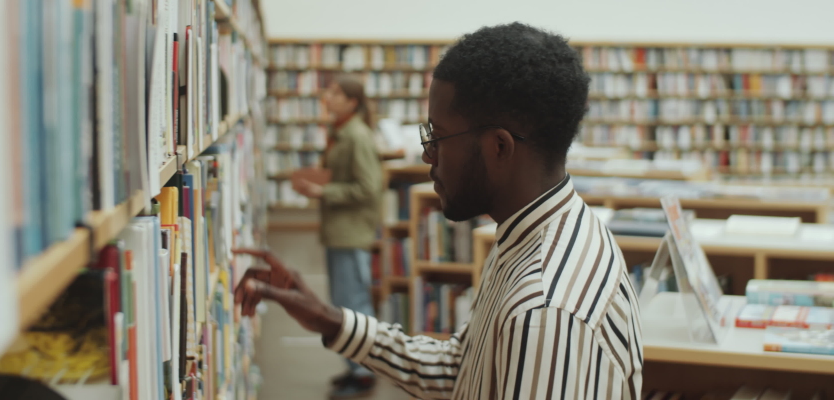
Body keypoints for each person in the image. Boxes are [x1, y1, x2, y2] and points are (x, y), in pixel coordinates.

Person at [235, 23, 643, 399]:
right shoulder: (536, 234)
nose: (428, 155)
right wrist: (330, 320)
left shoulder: (547, 313)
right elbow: (462, 369)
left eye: (439, 136)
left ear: (499, 147)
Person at [291, 74, 383, 399]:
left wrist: (323, 190)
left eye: (335, 92)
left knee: (354, 304)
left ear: (352, 101)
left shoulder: (356, 136)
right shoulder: (341, 133)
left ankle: (364, 373)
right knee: (346, 305)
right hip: (339, 230)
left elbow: (369, 187)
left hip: (351, 232)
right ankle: (354, 368)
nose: (327, 96)